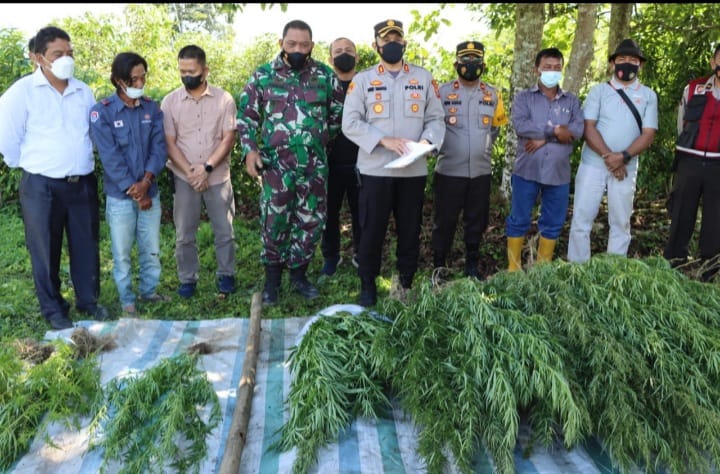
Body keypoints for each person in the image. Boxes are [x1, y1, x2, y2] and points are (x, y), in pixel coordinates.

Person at [0, 26, 108, 329]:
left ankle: (88, 300)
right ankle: (54, 309)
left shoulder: (82, 91)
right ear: (37, 58)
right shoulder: (21, 93)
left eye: (69, 53)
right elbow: (7, 138)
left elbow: (91, 134)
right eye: (57, 54)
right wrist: (31, 166)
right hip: (41, 185)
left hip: (81, 182)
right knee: (45, 248)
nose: (66, 59)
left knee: (86, 243)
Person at [237, 20, 344, 305]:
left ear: (312, 45)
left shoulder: (324, 75)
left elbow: (336, 117)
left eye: (304, 45)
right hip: (276, 168)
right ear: (281, 43)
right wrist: (250, 151)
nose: (298, 49)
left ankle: (299, 275)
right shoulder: (263, 76)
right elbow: (246, 117)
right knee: (275, 222)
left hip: (314, 168)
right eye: (292, 44)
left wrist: (316, 142)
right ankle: (272, 281)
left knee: (311, 221)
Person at [342, 19, 446, 306]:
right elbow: (349, 123)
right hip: (376, 170)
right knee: (371, 230)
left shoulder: (423, 78)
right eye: (385, 40)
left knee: (410, 231)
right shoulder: (362, 80)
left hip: (412, 170)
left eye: (396, 39)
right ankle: (368, 286)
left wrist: (427, 142)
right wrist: (383, 140)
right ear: (375, 45)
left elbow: (436, 119)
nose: (391, 44)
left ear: (405, 43)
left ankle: (405, 284)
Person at [89, 52, 168, 317]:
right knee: (121, 252)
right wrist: (135, 192)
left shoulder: (152, 108)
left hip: (150, 191)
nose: (140, 82)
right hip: (120, 197)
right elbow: (110, 158)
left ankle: (149, 291)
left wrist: (146, 183)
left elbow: (159, 149)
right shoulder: (102, 112)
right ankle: (127, 300)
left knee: (151, 248)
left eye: (143, 76)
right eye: (134, 78)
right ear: (118, 80)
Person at [567, 39, 657, 263]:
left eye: (633, 60)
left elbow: (648, 134)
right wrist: (610, 158)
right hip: (592, 165)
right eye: (622, 59)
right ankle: (577, 270)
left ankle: (614, 271)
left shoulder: (648, 95)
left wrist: (623, 157)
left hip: (626, 168)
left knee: (621, 222)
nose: (627, 64)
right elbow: (588, 127)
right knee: (581, 220)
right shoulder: (598, 91)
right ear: (612, 64)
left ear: (640, 65)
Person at [161, 45, 238, 298]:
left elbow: (228, 138)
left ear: (205, 70)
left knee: (224, 231)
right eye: (182, 71)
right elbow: (170, 142)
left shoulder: (224, 99)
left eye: (191, 71)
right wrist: (191, 172)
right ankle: (187, 279)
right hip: (184, 177)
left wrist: (206, 168)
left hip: (217, 176)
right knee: (184, 234)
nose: (186, 76)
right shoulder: (170, 102)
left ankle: (226, 274)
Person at [432, 40, 508, 280]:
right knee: (444, 222)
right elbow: (432, 126)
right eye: (466, 61)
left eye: (476, 61)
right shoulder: (441, 93)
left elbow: (495, 130)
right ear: (456, 64)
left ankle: (472, 264)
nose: (471, 65)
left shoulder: (493, 94)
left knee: (476, 221)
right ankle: (439, 266)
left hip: (480, 172)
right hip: (448, 171)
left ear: (483, 64)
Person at [506, 47, 584, 271]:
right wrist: (555, 132)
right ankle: (513, 269)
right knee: (518, 219)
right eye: (547, 67)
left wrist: (542, 139)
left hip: (558, 175)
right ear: (537, 69)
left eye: (557, 68)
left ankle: (542, 270)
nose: (552, 71)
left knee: (553, 223)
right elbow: (522, 126)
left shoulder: (571, 101)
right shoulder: (524, 98)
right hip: (526, 171)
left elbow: (577, 131)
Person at [664, 43, 720, 281]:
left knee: (715, 219)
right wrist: (688, 149)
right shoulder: (694, 88)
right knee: (681, 213)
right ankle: (673, 265)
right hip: (690, 161)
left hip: (719, 165)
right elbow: (681, 123)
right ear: (713, 61)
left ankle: (709, 272)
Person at [320, 37, 361, 276]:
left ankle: (360, 254)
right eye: (338, 51)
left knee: (361, 212)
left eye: (348, 51)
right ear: (330, 58)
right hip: (329, 162)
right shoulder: (323, 86)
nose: (343, 54)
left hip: (362, 161)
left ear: (356, 57)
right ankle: (331, 256)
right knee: (329, 213)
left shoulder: (367, 84)